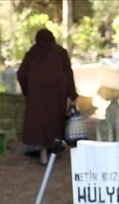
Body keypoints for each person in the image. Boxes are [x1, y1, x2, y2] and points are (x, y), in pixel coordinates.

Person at [17, 28, 78, 165]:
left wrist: (28, 90)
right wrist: (72, 94)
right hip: (56, 94)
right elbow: (68, 74)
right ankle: (54, 150)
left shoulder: (31, 54)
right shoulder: (60, 52)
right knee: (54, 121)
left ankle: (43, 153)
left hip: (36, 94)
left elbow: (21, 74)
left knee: (39, 123)